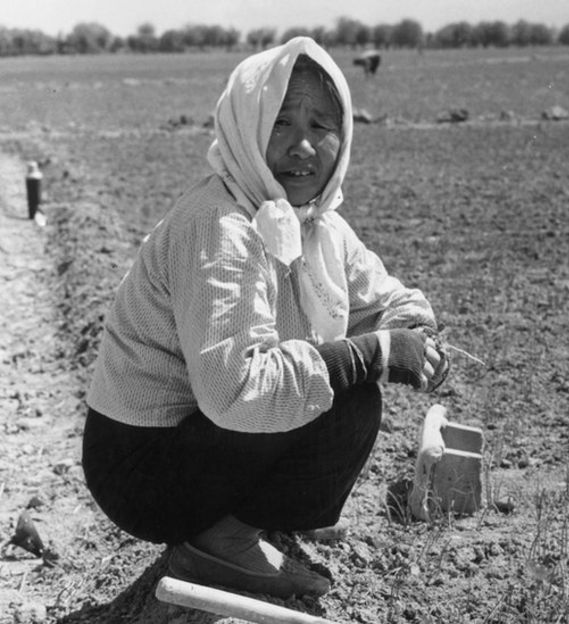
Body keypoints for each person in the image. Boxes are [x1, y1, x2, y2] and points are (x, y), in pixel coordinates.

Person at [82, 36, 449, 600]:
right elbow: (235, 389)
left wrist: (417, 333)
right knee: (348, 393)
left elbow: (382, 298)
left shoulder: (315, 222)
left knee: (341, 385)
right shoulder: (220, 225)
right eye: (280, 123)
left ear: (343, 135)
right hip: (142, 469)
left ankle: (241, 521)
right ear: (245, 126)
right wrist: (371, 354)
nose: (303, 146)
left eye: (322, 124)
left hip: (199, 445)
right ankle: (220, 543)